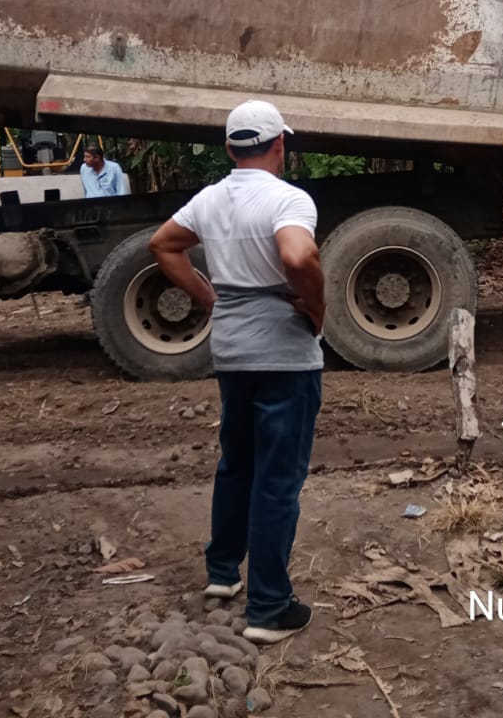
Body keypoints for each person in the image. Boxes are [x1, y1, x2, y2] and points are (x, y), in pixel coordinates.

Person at [148, 99, 325, 643]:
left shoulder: (209, 199)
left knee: (237, 463)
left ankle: (223, 573)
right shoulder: (288, 199)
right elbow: (298, 257)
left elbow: (163, 245)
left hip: (231, 352)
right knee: (277, 479)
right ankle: (270, 608)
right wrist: (315, 307)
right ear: (280, 145)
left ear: (229, 148)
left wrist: (208, 296)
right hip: (283, 356)